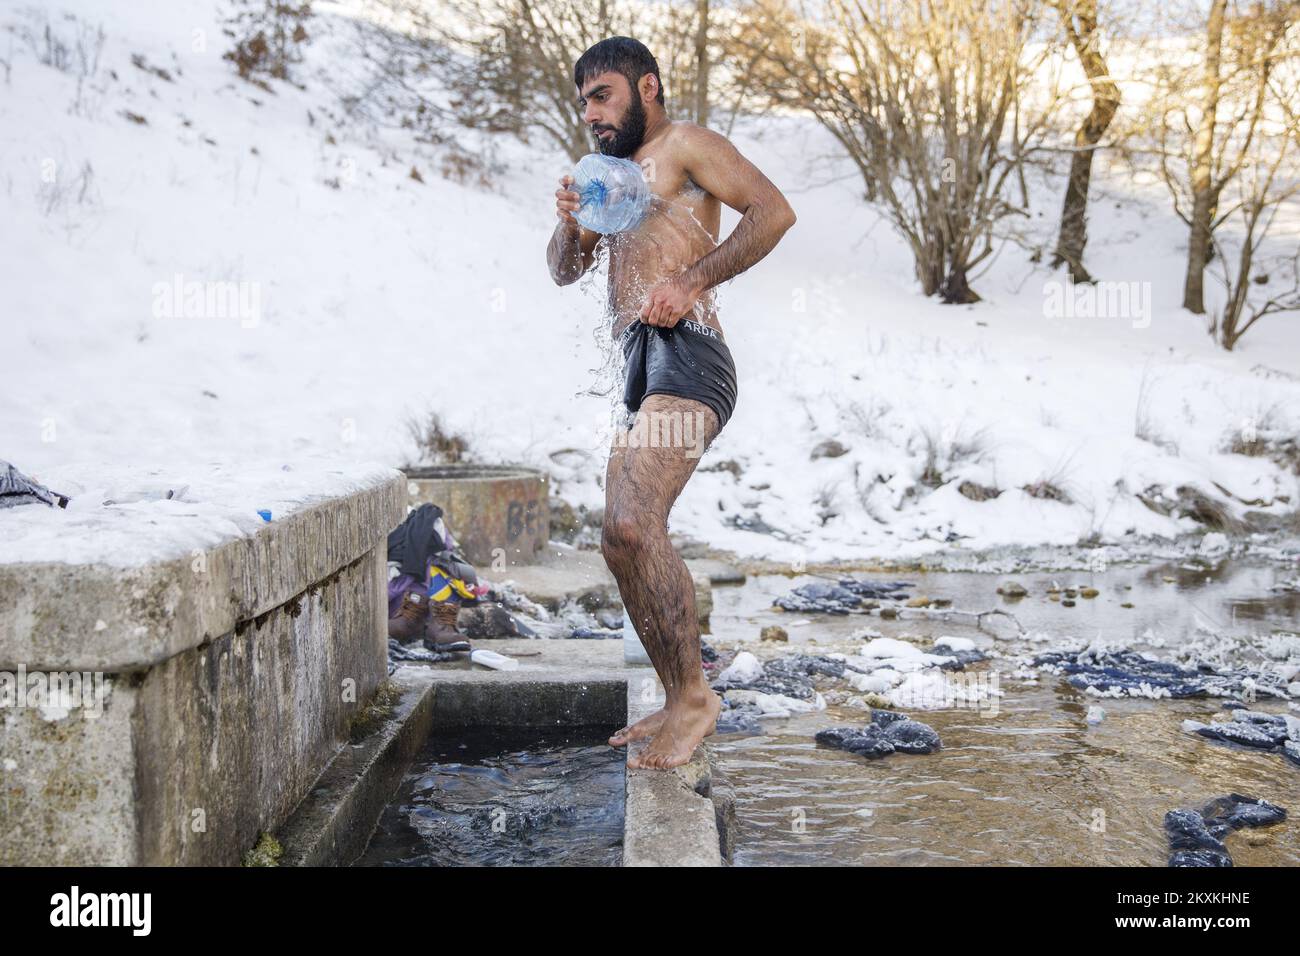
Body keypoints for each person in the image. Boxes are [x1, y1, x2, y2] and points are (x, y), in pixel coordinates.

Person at [546, 36, 796, 769]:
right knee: (619, 537)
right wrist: (569, 221)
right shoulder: (612, 177)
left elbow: (773, 213)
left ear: (646, 87)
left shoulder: (684, 144)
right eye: (584, 100)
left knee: (631, 516)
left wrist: (689, 282)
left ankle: (695, 698)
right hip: (643, 366)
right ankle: (675, 692)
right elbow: (566, 271)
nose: (590, 113)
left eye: (603, 95)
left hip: (691, 354)